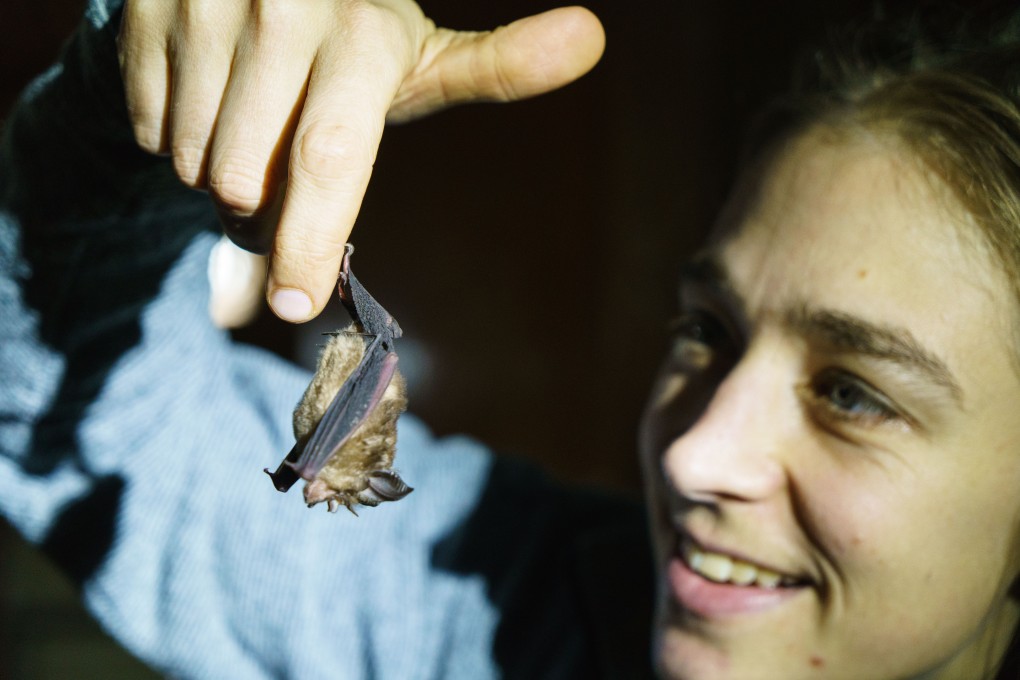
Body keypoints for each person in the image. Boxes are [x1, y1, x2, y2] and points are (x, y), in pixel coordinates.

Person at [4, 2, 1020, 680]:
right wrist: (121, 116)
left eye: (852, 392)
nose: (689, 453)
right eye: (708, 329)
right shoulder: (513, 590)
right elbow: (94, 427)